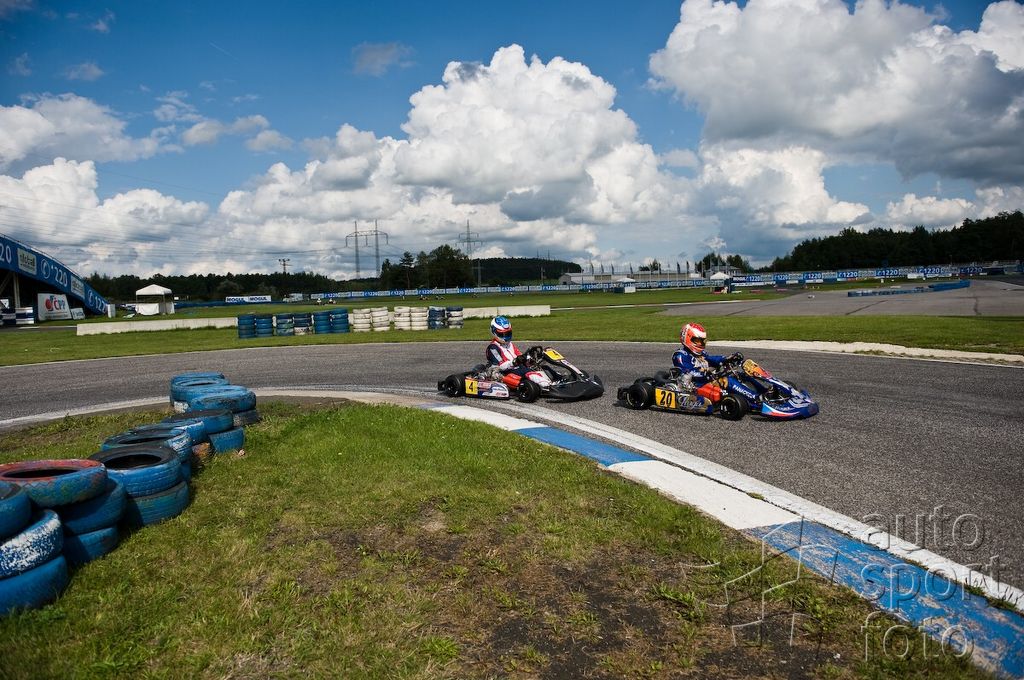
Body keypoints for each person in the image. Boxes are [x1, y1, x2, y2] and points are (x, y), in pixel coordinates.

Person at [671, 322, 740, 403]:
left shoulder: (702, 354)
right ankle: (752, 401)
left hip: (706, 382)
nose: (700, 343)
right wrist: (705, 373)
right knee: (726, 385)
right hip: (694, 387)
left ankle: (752, 397)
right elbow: (687, 372)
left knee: (737, 376)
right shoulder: (680, 355)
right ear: (687, 338)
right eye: (697, 340)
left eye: (702, 341)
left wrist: (727, 359)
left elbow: (712, 360)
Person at [486, 315, 530, 387]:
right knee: (528, 376)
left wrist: (528, 357)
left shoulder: (509, 344)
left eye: (507, 333)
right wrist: (514, 362)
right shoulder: (493, 348)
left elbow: (519, 356)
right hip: (502, 372)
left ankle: (549, 382)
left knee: (537, 369)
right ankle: (521, 385)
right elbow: (501, 366)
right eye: (502, 334)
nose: (505, 337)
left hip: (516, 368)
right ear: (494, 332)